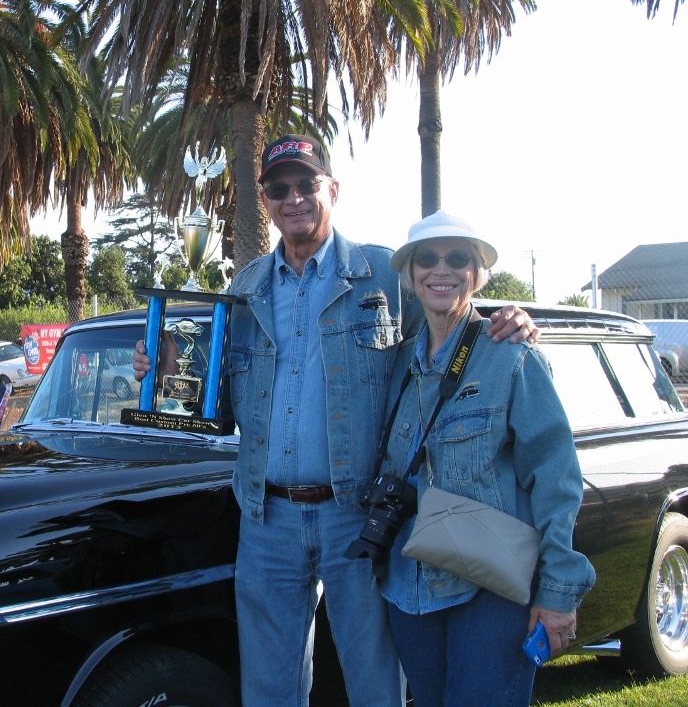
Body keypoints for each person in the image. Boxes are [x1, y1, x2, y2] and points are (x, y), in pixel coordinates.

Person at [133, 134, 538, 706]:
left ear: (333, 190)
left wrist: (505, 320)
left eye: (306, 184)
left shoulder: (383, 275)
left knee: (374, 682)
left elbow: (449, 328)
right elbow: (219, 408)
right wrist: (168, 374)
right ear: (266, 202)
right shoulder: (243, 289)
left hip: (359, 517)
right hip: (266, 518)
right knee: (270, 690)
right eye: (279, 188)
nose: (294, 197)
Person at [374, 211, 595, 707]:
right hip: (408, 586)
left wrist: (557, 592)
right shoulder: (397, 366)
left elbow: (557, 479)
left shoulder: (511, 355)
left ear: (477, 274)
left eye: (459, 259)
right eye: (427, 259)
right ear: (410, 274)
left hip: (490, 589)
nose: (441, 270)